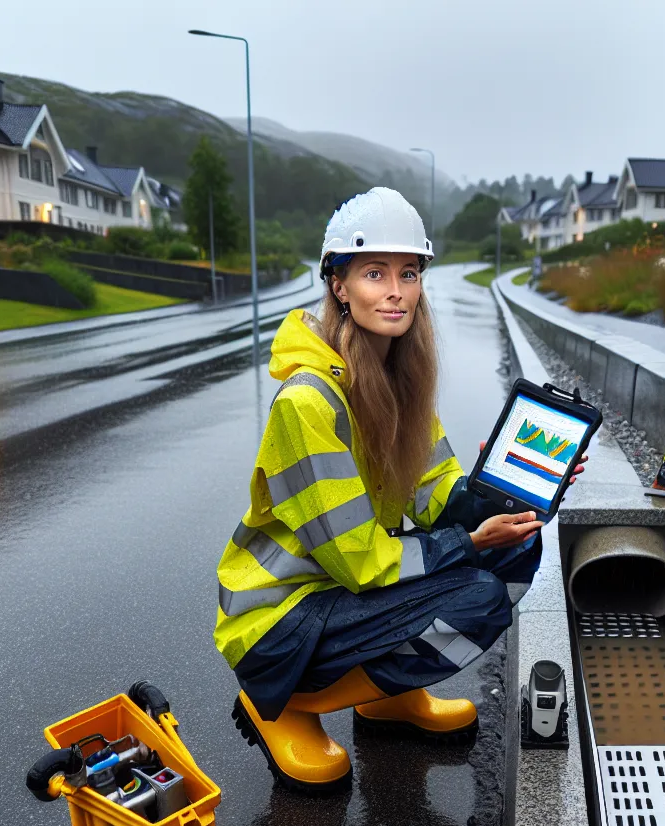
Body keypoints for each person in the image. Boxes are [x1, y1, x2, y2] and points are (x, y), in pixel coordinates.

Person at [213, 187, 583, 792]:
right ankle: (280, 704)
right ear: (339, 285)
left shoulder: (399, 382)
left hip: (344, 595)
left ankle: (384, 698)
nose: (395, 289)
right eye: (374, 272)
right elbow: (361, 560)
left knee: (517, 547)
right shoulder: (307, 403)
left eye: (408, 273)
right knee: (476, 595)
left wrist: (505, 487)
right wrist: (467, 541)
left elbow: (436, 495)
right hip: (281, 618)